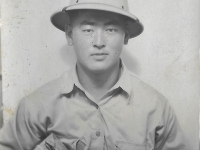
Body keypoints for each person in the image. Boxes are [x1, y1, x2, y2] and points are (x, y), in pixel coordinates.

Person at [0, 0, 188, 150]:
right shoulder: (36, 107)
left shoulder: (157, 109)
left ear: (126, 36)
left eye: (111, 30)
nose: (99, 42)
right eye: (88, 30)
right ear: (69, 35)